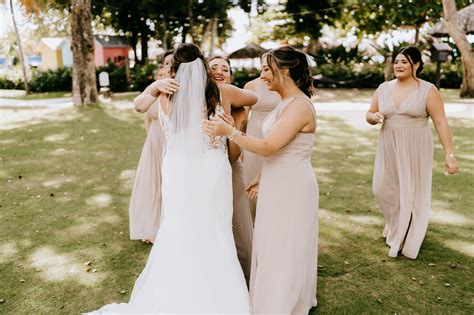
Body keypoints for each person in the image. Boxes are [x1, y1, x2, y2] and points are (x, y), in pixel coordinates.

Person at [89, 43, 256, 313]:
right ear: (202, 66)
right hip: (212, 170)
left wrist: (154, 87)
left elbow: (138, 105)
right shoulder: (220, 92)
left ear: (175, 69)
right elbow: (253, 100)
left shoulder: (165, 93)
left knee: (179, 227)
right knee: (214, 228)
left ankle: (177, 291)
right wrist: (237, 118)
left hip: (179, 170)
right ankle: (218, 293)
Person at [203, 45, 319, 314]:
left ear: (285, 71)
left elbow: (268, 146)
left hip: (294, 186)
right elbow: (283, 149)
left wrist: (228, 130)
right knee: (270, 242)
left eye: (267, 69)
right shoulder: (285, 103)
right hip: (277, 179)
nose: (262, 75)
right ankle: (270, 294)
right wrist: (263, 175)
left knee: (285, 243)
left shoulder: (300, 106)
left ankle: (283, 302)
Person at [367, 45, 458, 259]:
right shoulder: (383, 88)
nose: (399, 65)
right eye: (397, 61)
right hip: (389, 143)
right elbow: (369, 113)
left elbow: (440, 122)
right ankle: (396, 223)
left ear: (416, 65)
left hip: (416, 145)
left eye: (404, 62)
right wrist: (375, 117)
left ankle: (408, 232)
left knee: (411, 189)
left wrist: (449, 154)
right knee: (381, 187)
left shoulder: (428, 90)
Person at [209, 56, 253, 285]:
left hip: (230, 173)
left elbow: (233, 156)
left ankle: (246, 281)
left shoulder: (238, 111)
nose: (219, 71)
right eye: (213, 67)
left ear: (230, 78)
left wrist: (230, 130)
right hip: (203, 178)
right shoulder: (193, 103)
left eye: (224, 69)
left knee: (239, 229)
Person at [128, 67, 169, 244]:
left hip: (170, 140)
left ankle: (168, 224)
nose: (163, 76)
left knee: (168, 183)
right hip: (154, 141)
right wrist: (151, 139)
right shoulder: (152, 89)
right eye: (160, 74)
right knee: (153, 182)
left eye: (167, 72)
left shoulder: (175, 88)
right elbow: (144, 114)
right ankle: (152, 226)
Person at [242, 74, 280, 221]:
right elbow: (244, 116)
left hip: (274, 132)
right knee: (250, 175)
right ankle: (250, 220)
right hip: (254, 133)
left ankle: (270, 217)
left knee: (271, 174)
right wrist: (241, 143)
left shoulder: (280, 85)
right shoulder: (251, 86)